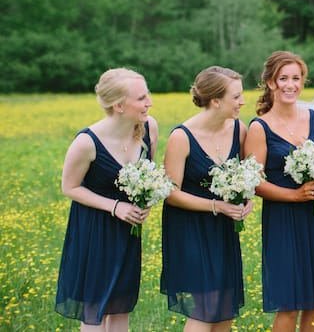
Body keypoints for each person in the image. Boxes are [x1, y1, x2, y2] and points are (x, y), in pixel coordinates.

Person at [244, 51, 314, 332]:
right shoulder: (259, 127)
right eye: (283, 78)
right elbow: (254, 182)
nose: (290, 85)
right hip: (283, 219)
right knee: (289, 303)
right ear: (270, 82)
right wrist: (295, 195)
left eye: (296, 78)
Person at [55, 68, 158, 330]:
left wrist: (146, 200)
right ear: (119, 106)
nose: (149, 102)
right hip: (94, 230)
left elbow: (149, 175)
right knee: (94, 310)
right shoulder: (86, 142)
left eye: (147, 95)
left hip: (128, 230)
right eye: (141, 98)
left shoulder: (149, 129)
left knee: (121, 306)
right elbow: (69, 187)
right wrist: (115, 207)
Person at [160, 66, 252, 331]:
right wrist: (217, 206)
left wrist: (246, 198)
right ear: (215, 101)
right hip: (191, 229)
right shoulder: (181, 137)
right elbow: (171, 193)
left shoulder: (239, 129)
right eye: (236, 96)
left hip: (223, 229)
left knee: (225, 308)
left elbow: (246, 174)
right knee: (205, 309)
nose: (242, 102)